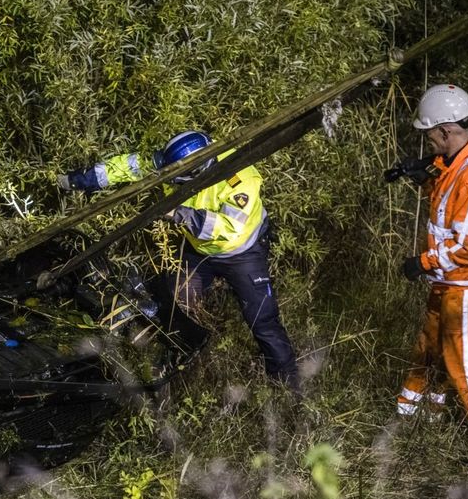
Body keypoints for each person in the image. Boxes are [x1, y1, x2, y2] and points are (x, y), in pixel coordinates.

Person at [59, 130, 300, 393]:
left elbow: (230, 228)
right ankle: (182, 361)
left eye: (177, 181)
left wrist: (178, 214)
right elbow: (128, 167)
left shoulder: (239, 176)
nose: (171, 182)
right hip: (199, 250)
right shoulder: (172, 162)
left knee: (262, 321)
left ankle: (288, 387)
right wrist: (78, 180)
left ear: (197, 173)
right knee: (174, 301)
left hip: (242, 253)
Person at [387, 84, 468, 465]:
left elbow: (466, 247)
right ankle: (418, 413)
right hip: (450, 282)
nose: (429, 142)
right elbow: (447, 203)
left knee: (467, 366)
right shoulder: (456, 164)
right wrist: (421, 175)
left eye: (430, 134)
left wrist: (421, 263)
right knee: (430, 347)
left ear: (446, 130)